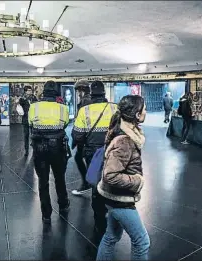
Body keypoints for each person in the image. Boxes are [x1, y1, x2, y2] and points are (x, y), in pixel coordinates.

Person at [96, 95, 150, 261]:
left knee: (111, 236)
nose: (146, 112)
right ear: (136, 114)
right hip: (119, 199)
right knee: (142, 241)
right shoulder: (125, 140)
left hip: (112, 196)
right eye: (144, 109)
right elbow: (110, 175)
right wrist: (137, 181)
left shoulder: (126, 132)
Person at [72, 80, 117, 236]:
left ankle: (99, 221)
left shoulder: (85, 110)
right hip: (112, 151)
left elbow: (77, 134)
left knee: (96, 185)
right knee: (111, 179)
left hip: (93, 153)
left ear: (90, 92)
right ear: (104, 92)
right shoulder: (114, 108)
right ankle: (113, 212)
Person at [28, 81, 71, 224]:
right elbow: (64, 124)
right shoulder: (63, 108)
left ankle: (46, 213)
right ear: (56, 92)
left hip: (39, 146)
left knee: (43, 181)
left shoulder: (34, 107)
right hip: (57, 146)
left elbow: (30, 123)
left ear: (43, 92)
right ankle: (63, 204)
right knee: (60, 177)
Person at [71, 79, 92, 196]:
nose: (78, 93)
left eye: (79, 91)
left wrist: (76, 138)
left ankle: (88, 183)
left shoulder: (85, 101)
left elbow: (82, 120)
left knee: (81, 158)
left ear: (82, 90)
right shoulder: (89, 100)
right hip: (89, 135)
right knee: (83, 158)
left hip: (85, 136)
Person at [19, 85, 38, 156]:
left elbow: (37, 105)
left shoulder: (33, 97)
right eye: (28, 90)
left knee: (34, 135)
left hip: (33, 119)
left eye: (30, 90)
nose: (30, 92)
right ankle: (26, 150)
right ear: (25, 91)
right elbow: (20, 105)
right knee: (26, 135)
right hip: (25, 119)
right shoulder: (22, 98)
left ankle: (34, 148)